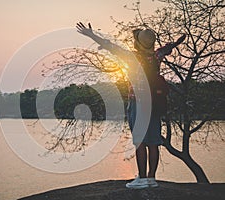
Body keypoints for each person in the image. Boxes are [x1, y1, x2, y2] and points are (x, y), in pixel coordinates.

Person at [76, 22, 185, 189]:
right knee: (154, 142)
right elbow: (167, 47)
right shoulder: (157, 56)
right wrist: (178, 42)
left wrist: (91, 35)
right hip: (154, 103)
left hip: (138, 103)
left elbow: (110, 46)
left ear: (138, 43)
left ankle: (141, 178)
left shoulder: (131, 57)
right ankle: (151, 178)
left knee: (140, 141)